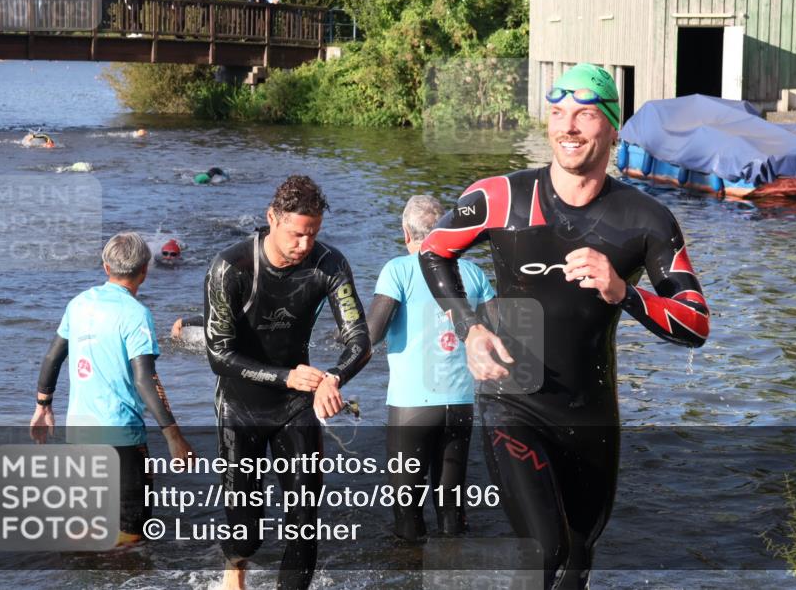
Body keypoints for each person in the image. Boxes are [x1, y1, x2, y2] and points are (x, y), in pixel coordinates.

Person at [419, 63, 710, 589]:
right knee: (543, 548)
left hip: (590, 411)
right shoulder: (500, 197)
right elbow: (434, 251)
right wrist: (469, 328)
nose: (567, 127)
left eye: (583, 114)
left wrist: (624, 292)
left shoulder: (645, 219)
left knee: (578, 556)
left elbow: (695, 322)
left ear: (612, 127)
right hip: (514, 395)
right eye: (557, 114)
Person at [204, 175, 371, 590]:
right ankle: (236, 566)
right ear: (271, 219)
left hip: (295, 407)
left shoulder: (329, 264)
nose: (304, 245)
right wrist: (287, 376)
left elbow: (360, 340)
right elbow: (218, 355)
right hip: (239, 407)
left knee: (304, 516)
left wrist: (333, 378)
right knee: (245, 531)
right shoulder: (231, 267)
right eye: (296, 234)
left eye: (312, 234)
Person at [29, 232, 193, 546]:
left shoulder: (78, 304)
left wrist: (43, 406)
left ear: (106, 267)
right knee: (133, 533)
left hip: (78, 433)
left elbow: (53, 356)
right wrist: (174, 436)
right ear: (145, 271)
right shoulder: (136, 314)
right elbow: (145, 379)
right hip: (120, 437)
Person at [367, 195, 495, 541]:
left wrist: (339, 335)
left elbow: (371, 336)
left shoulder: (397, 269)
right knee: (451, 507)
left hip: (413, 408)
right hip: (460, 405)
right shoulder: (473, 272)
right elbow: (499, 332)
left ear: (406, 232)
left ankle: (410, 571)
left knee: (406, 510)